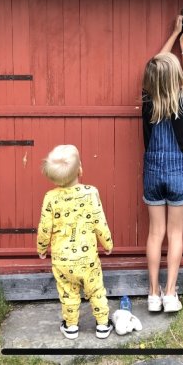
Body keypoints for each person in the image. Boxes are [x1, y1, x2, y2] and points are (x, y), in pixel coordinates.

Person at [141, 14, 183, 313]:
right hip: (177, 172)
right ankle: (171, 294)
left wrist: (173, 35)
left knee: (154, 234)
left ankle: (152, 293)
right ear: (175, 80)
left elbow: (157, 63)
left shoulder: (147, 99)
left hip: (152, 171)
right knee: (175, 235)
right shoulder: (180, 101)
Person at [36, 144, 115, 339]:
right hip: (87, 258)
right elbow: (99, 220)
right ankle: (103, 325)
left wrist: (41, 247)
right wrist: (107, 243)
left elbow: (45, 226)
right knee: (96, 290)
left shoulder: (50, 198)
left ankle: (71, 327)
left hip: (62, 259)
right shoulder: (90, 193)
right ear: (80, 169)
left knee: (68, 293)